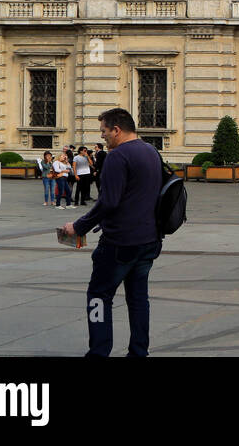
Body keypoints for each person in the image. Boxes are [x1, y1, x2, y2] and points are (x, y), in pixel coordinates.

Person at [60, 108, 165, 357]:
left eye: (104, 132)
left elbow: (109, 202)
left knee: (98, 296)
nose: (103, 137)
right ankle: (139, 351)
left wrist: (78, 226)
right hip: (149, 240)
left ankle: (98, 352)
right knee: (139, 299)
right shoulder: (151, 151)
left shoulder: (118, 157)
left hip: (120, 242)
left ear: (116, 130)